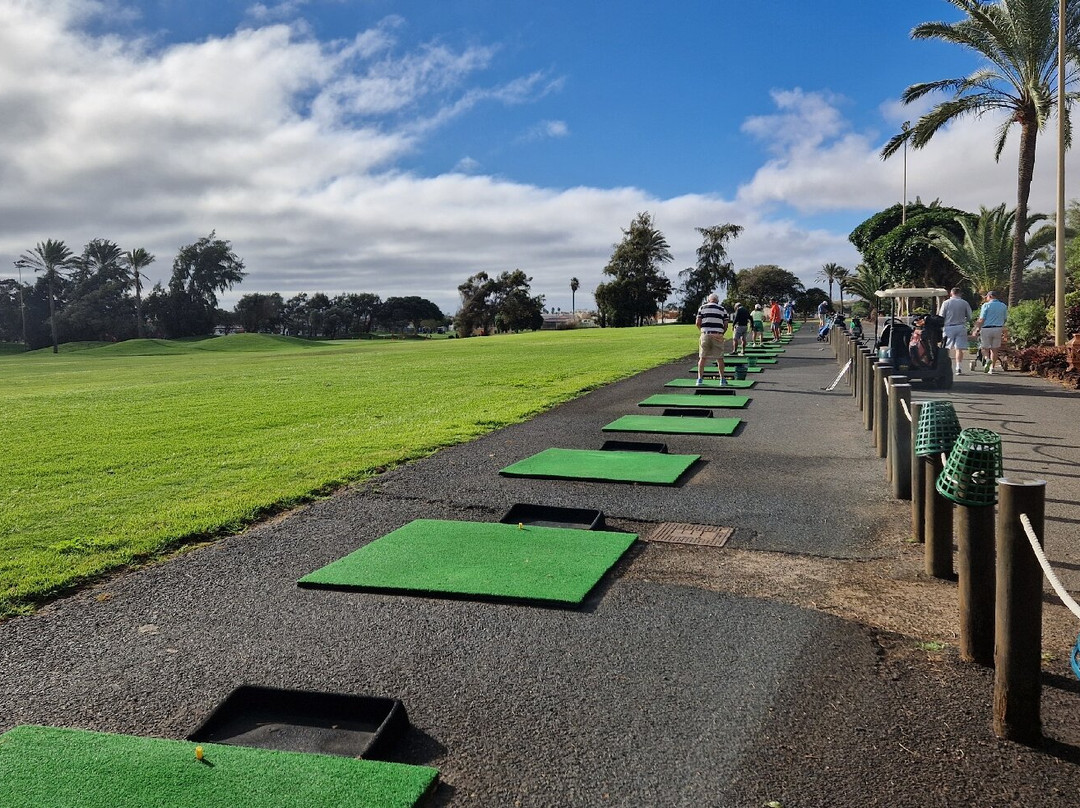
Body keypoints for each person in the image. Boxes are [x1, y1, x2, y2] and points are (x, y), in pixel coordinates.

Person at [695, 293, 730, 386]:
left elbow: (698, 323)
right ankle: (722, 379)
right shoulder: (722, 309)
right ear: (717, 300)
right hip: (717, 334)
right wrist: (722, 333)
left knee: (702, 358)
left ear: (708, 300)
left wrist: (702, 331)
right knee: (720, 358)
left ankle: (699, 379)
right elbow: (726, 324)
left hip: (705, 334)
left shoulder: (702, 308)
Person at [937, 286, 973, 375]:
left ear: (951, 293)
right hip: (960, 326)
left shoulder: (946, 303)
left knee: (946, 348)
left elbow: (941, 316)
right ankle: (958, 367)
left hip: (948, 327)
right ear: (960, 294)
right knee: (959, 348)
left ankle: (945, 367)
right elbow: (970, 317)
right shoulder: (964, 303)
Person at [972, 290, 1008, 374]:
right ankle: (992, 368)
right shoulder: (1003, 306)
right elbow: (1005, 318)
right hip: (998, 329)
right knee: (994, 349)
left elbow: (982, 319)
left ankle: (987, 360)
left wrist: (976, 329)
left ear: (990, 296)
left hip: (986, 328)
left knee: (984, 347)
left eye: (987, 297)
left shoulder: (986, 305)